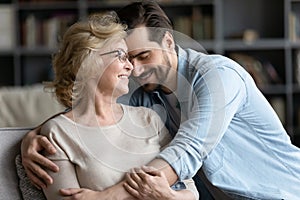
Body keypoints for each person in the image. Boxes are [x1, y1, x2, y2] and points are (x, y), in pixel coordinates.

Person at [21, 1, 300, 199]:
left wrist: (106, 197)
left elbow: (189, 149)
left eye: (144, 56)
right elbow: (91, 112)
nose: (137, 70)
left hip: (283, 193)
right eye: (128, 59)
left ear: (168, 41)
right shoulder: (145, 98)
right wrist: (31, 136)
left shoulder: (218, 75)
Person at [36, 11, 198, 200]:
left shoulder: (148, 118)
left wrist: (168, 196)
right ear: (87, 61)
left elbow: (191, 191)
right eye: (121, 55)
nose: (131, 66)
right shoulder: (57, 133)